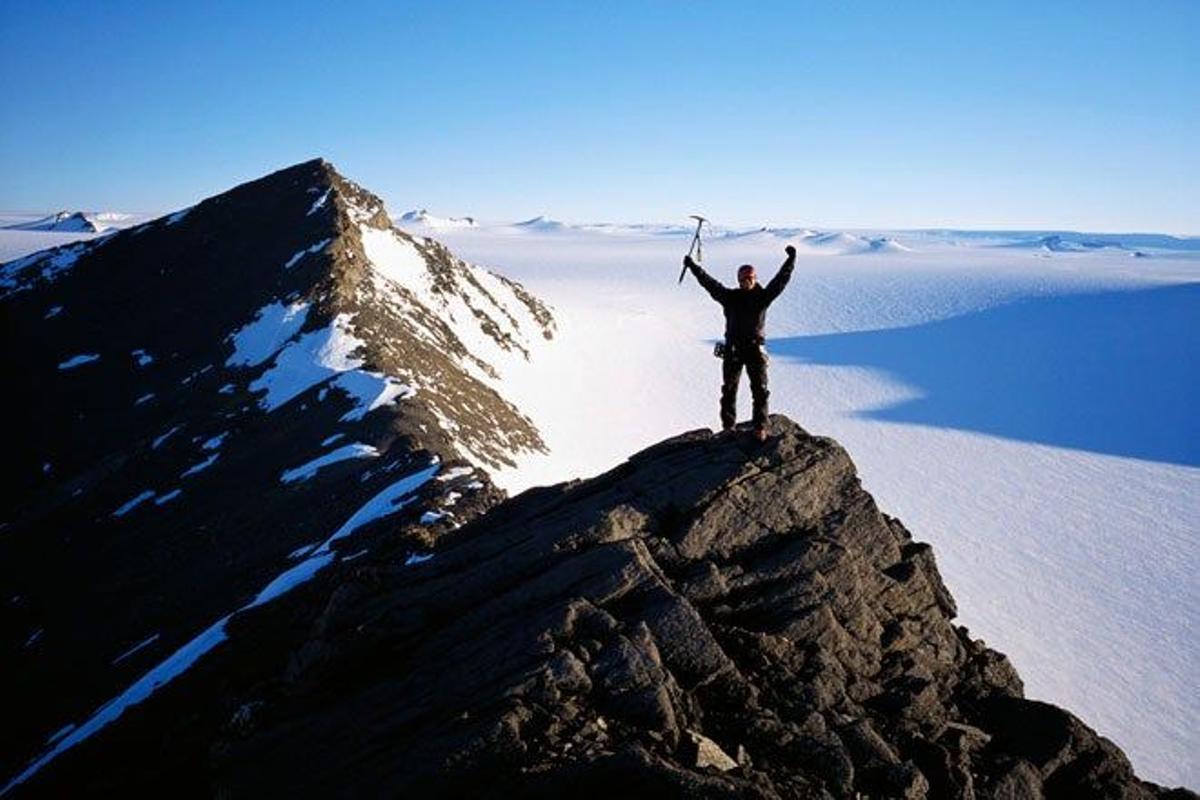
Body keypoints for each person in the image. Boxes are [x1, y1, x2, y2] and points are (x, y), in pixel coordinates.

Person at [684, 245, 796, 441]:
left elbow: (780, 281)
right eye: (744, 279)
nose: (747, 281)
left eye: (750, 278)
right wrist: (693, 266)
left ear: (755, 278)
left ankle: (760, 427)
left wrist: (791, 260)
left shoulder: (763, 297)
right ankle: (729, 427)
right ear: (739, 279)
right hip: (733, 350)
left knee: (760, 390)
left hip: (754, 349)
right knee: (729, 389)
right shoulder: (730, 298)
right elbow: (709, 283)